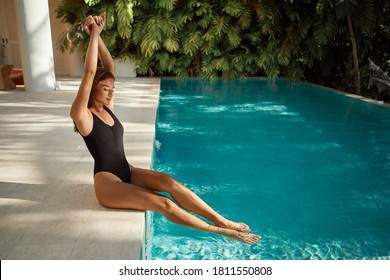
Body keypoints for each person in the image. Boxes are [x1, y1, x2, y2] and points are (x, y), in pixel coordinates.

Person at [70, 13, 261, 244]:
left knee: (169, 181)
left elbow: (107, 65)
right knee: (164, 203)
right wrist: (95, 35)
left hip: (127, 171)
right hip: (108, 184)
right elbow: (90, 73)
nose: (112, 92)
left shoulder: (106, 107)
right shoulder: (83, 116)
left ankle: (222, 220)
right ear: (92, 90)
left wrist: (95, 35)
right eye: (105, 88)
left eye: (112, 87)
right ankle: (222, 232)